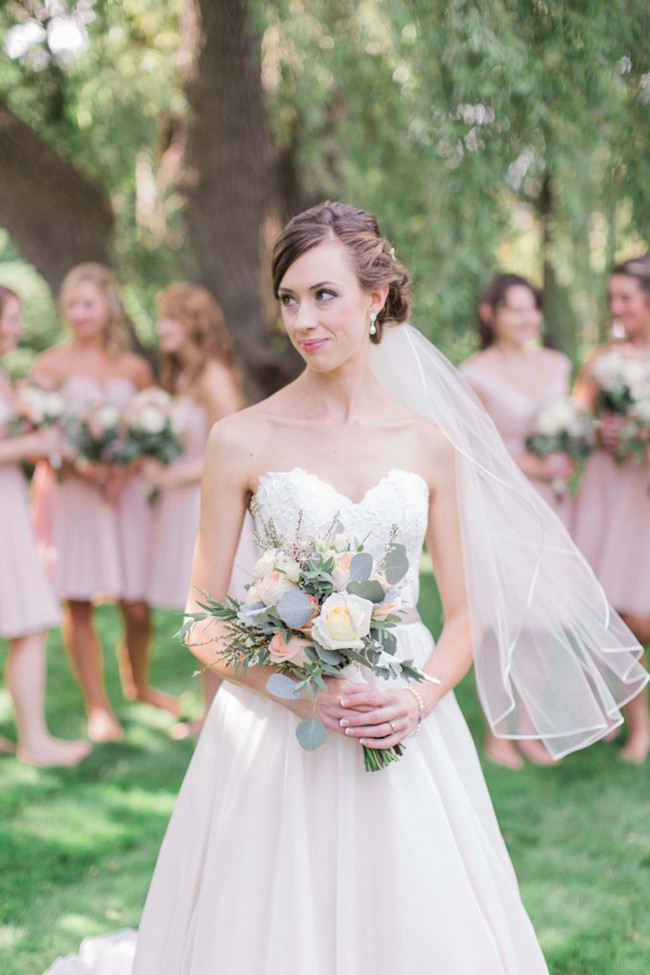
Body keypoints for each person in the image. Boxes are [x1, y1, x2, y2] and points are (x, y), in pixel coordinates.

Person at [45, 203, 647, 975]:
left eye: (324, 295)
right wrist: (295, 691)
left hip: (403, 728)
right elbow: (202, 620)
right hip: (275, 734)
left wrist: (419, 699)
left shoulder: (430, 444)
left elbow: (464, 615)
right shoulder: (242, 438)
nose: (303, 319)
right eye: (289, 299)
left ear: (376, 297)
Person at [32, 263, 177, 744]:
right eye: (71, 304)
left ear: (107, 307)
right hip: (74, 496)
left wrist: (124, 471)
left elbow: (152, 429)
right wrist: (83, 469)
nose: (78, 314)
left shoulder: (133, 367)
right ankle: (98, 705)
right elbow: (39, 438)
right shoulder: (49, 365)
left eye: (87, 304)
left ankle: (137, 684)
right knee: (79, 602)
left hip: (125, 498)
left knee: (135, 606)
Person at [461, 273, 574, 769]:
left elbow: (570, 423)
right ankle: (498, 734)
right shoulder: (474, 373)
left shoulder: (558, 364)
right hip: (503, 504)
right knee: (502, 619)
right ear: (491, 315)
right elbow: (472, 447)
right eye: (516, 310)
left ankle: (530, 729)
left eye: (533, 309)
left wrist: (570, 450)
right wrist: (531, 464)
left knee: (542, 620)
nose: (528, 319)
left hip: (553, 503)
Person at [143, 283, 248, 738]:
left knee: (211, 610)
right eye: (160, 317)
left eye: (171, 318)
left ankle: (218, 716)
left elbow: (232, 449)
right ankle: (213, 715)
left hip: (205, 504)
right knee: (200, 614)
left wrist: (172, 476)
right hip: (181, 505)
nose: (160, 327)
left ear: (195, 325)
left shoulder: (214, 377)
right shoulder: (181, 378)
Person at [0, 284, 90, 767]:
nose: (17, 328)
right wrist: (38, 439)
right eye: (11, 318)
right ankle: (34, 742)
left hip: (9, 501)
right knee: (30, 623)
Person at [572, 255, 650, 764]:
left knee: (641, 612)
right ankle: (636, 724)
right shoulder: (603, 358)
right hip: (608, 487)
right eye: (612, 298)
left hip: (644, 489)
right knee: (613, 610)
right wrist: (594, 430)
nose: (616, 307)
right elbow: (574, 418)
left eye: (625, 297)